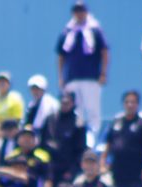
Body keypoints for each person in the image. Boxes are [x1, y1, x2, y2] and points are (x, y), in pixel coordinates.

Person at [56, 1, 110, 135]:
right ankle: (77, 137)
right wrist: (61, 77)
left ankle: (94, 136)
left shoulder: (95, 30)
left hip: (91, 77)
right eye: (76, 11)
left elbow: (104, 52)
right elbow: (61, 56)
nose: (79, 14)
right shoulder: (67, 32)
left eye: (81, 11)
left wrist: (103, 73)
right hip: (72, 77)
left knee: (92, 109)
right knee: (76, 110)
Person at [101, 91, 142, 187]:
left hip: (136, 173)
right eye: (127, 102)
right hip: (118, 172)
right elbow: (108, 143)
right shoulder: (116, 122)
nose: (130, 105)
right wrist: (102, 162)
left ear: (138, 104)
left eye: (133, 102)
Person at [41, 90, 87, 187]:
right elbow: (42, 143)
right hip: (49, 169)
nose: (64, 104)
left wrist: (71, 171)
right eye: (62, 102)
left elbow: (80, 151)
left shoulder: (78, 123)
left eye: (67, 102)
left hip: (67, 172)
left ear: (73, 103)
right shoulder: (50, 120)